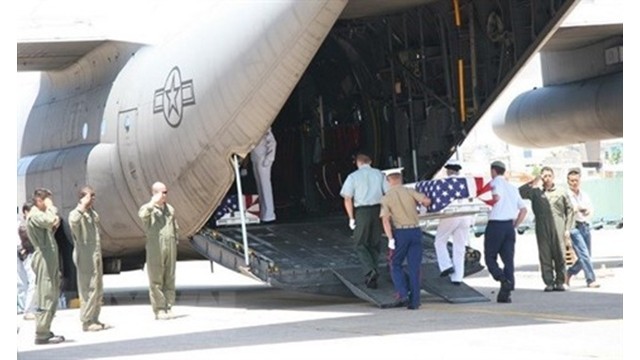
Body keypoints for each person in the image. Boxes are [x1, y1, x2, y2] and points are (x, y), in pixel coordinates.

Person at [380, 168, 431, 309]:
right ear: (401, 178)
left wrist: (390, 238)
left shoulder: (386, 197)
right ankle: (415, 302)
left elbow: (385, 220)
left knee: (395, 264)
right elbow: (427, 201)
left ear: (388, 180)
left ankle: (403, 293)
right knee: (414, 267)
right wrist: (421, 207)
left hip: (401, 234)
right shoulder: (410, 192)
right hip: (415, 231)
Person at [519, 166, 574, 292]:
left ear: (553, 177)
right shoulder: (535, 192)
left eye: (549, 175)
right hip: (542, 227)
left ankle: (560, 282)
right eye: (544, 176)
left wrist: (567, 229)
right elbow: (520, 193)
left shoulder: (561, 192)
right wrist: (535, 181)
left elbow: (570, 210)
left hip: (558, 225)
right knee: (545, 255)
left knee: (560, 254)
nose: (547, 178)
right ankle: (549, 282)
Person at [339, 152, 387, 289]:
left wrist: (351, 218)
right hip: (378, 210)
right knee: (374, 243)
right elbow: (387, 193)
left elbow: (347, 198)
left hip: (362, 212)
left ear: (358, 163)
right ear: (370, 161)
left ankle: (370, 271)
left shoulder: (353, 177)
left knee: (360, 243)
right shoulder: (379, 174)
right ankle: (373, 273)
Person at [484, 161, 527, 303]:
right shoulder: (512, 188)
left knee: (490, 257)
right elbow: (523, 210)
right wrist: (515, 224)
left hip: (496, 224)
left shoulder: (493, 184)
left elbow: (495, 197)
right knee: (508, 259)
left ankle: (501, 278)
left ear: (493, 171)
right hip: (509, 226)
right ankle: (506, 291)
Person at [68, 186, 110, 331]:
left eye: (93, 195)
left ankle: (95, 318)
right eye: (89, 195)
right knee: (88, 288)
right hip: (85, 255)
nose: (92, 198)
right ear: (81, 197)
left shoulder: (92, 214)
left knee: (98, 288)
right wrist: (82, 206)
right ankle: (87, 321)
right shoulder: (76, 213)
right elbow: (73, 222)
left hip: (95, 254)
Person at [27, 188, 65, 344]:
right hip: (43, 257)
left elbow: (54, 222)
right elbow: (51, 220)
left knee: (51, 292)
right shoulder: (35, 214)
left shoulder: (40, 215)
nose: (50, 203)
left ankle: (45, 329)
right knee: (46, 293)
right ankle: (41, 333)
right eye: (47, 200)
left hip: (49, 257)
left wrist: (52, 215)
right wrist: (51, 208)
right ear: (39, 200)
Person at [138, 182, 179, 320]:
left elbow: (175, 226)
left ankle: (168, 306)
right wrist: (152, 203)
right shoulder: (148, 209)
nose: (165, 195)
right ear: (155, 193)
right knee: (156, 279)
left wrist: (175, 239)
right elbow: (142, 215)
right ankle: (159, 309)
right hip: (156, 247)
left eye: (166, 192)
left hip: (170, 245)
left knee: (170, 277)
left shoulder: (170, 209)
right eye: (162, 192)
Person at [434, 160, 473, 285]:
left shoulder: (445, 182)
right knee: (459, 247)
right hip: (466, 215)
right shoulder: (467, 182)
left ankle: (446, 266)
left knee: (439, 241)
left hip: (451, 214)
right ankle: (458, 277)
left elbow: (439, 199)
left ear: (449, 170)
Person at [565, 168, 600, 288]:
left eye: (576, 180)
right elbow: (569, 211)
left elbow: (590, 208)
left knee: (586, 256)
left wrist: (586, 211)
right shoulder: (566, 196)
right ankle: (590, 279)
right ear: (568, 181)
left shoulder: (584, 195)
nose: (574, 183)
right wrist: (578, 209)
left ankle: (569, 272)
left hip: (585, 225)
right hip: (574, 227)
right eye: (572, 180)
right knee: (584, 254)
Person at [251, 128, 277, 223]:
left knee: (265, 186)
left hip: (263, 158)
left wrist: (269, 158)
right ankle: (263, 212)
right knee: (260, 187)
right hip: (255, 157)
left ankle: (269, 213)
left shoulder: (265, 127)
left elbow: (273, 142)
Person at [18, 202, 37, 320]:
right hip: (29, 256)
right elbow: (28, 242)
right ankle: (28, 309)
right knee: (32, 281)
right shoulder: (24, 226)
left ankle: (34, 307)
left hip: (34, 255)